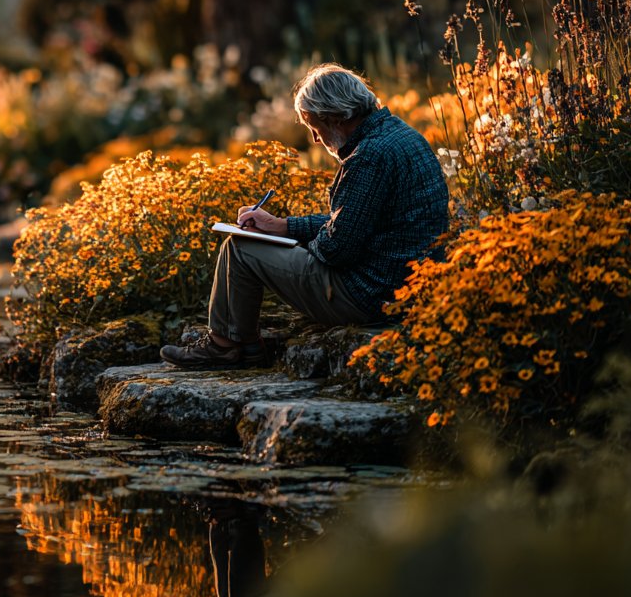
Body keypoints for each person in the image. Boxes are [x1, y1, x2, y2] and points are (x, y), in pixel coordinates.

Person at [161, 63, 449, 369]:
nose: (314, 139)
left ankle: (223, 347)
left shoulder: (369, 156)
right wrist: (281, 227)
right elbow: (357, 222)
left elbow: (337, 249)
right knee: (250, 242)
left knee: (240, 247)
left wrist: (293, 250)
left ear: (336, 117)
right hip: (404, 288)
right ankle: (243, 347)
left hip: (369, 297)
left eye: (314, 126)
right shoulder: (401, 135)